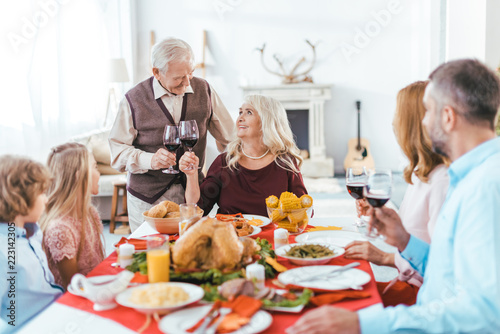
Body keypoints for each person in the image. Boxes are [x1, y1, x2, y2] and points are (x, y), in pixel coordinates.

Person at [286, 59, 500, 333]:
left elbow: (483, 315)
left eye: (428, 111)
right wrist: (405, 241)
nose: (423, 120)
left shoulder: (485, 187)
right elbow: (448, 273)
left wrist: (365, 324)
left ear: (447, 116)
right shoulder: (468, 176)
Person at [109, 37, 234, 232]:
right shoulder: (133, 99)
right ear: (156, 72)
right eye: (178, 78)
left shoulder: (205, 90)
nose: (186, 83)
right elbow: (117, 153)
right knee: (151, 256)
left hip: (192, 197)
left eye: (190, 74)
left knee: (191, 252)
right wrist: (150, 160)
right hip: (147, 202)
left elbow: (230, 137)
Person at [344, 81, 449, 306]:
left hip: (423, 297)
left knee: (341, 304)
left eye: (398, 115)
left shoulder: (442, 181)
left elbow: (444, 268)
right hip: (406, 283)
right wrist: (383, 215)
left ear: (412, 123)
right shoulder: (421, 173)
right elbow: (416, 234)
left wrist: (384, 257)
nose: (393, 122)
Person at [179, 94, 307, 216]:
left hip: (271, 237)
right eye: (240, 112)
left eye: (249, 112)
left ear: (266, 121)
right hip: (231, 235)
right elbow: (196, 211)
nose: (240, 118)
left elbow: (305, 209)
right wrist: (191, 175)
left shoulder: (285, 162)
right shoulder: (224, 162)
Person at [0, 155, 63, 332]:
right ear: (19, 197)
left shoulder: (32, 233)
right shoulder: (3, 253)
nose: (46, 199)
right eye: (41, 193)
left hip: (56, 311)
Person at [40, 143, 104, 290]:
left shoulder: (90, 213)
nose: (99, 173)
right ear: (80, 177)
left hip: (96, 290)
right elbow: (74, 288)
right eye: (95, 167)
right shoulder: (61, 230)